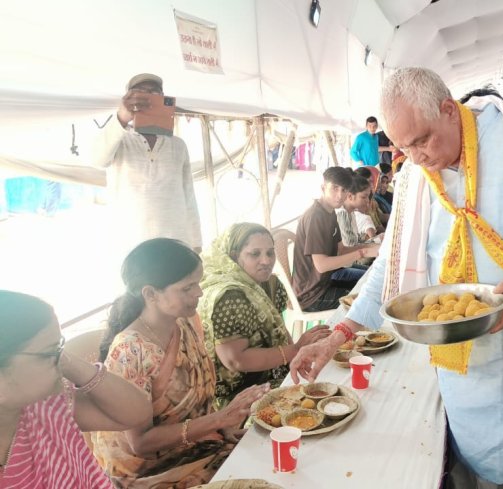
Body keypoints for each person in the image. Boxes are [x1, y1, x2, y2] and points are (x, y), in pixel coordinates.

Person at [291, 67, 503, 488]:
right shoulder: (415, 175)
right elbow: (392, 265)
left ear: (449, 111)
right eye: (403, 147)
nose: (416, 157)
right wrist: (337, 334)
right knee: (475, 474)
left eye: (422, 140)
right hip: (462, 370)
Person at [91, 238, 269, 488]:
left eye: (197, 283)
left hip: (197, 444)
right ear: (151, 294)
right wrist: (218, 420)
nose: (199, 292)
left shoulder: (183, 322)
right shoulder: (131, 352)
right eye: (187, 288)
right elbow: (140, 443)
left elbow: (197, 402)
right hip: (150, 471)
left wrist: (223, 430)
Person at [0, 290, 151, 488]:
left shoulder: (44, 407)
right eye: (51, 353)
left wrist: (60, 358)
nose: (61, 363)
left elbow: (136, 413)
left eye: (60, 349)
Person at [197, 223, 332, 409]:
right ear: (235, 256)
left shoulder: (269, 283)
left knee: (329, 383)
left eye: (270, 253)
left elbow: (280, 330)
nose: (266, 261)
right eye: (255, 254)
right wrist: (295, 350)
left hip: (274, 371)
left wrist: (296, 356)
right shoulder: (229, 296)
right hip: (242, 392)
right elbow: (235, 360)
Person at [91, 73, 202, 256]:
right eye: (140, 93)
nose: (147, 97)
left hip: (175, 242)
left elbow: (188, 194)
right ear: (128, 99)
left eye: (154, 93)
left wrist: (196, 243)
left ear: (163, 98)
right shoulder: (119, 139)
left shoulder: (177, 145)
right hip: (129, 243)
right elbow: (97, 159)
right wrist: (121, 118)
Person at [291, 169, 380, 312]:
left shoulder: (330, 213)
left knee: (371, 285)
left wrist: (376, 248)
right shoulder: (316, 217)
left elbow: (341, 250)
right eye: (335, 188)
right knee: (370, 299)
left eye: (344, 190)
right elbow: (321, 265)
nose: (339, 195)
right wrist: (363, 252)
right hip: (312, 295)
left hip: (325, 283)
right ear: (323, 188)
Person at [336, 174, 377, 246]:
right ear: (350, 196)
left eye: (368, 196)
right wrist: (375, 242)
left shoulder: (351, 212)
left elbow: (355, 240)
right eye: (364, 197)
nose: (367, 200)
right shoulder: (342, 214)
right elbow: (350, 247)